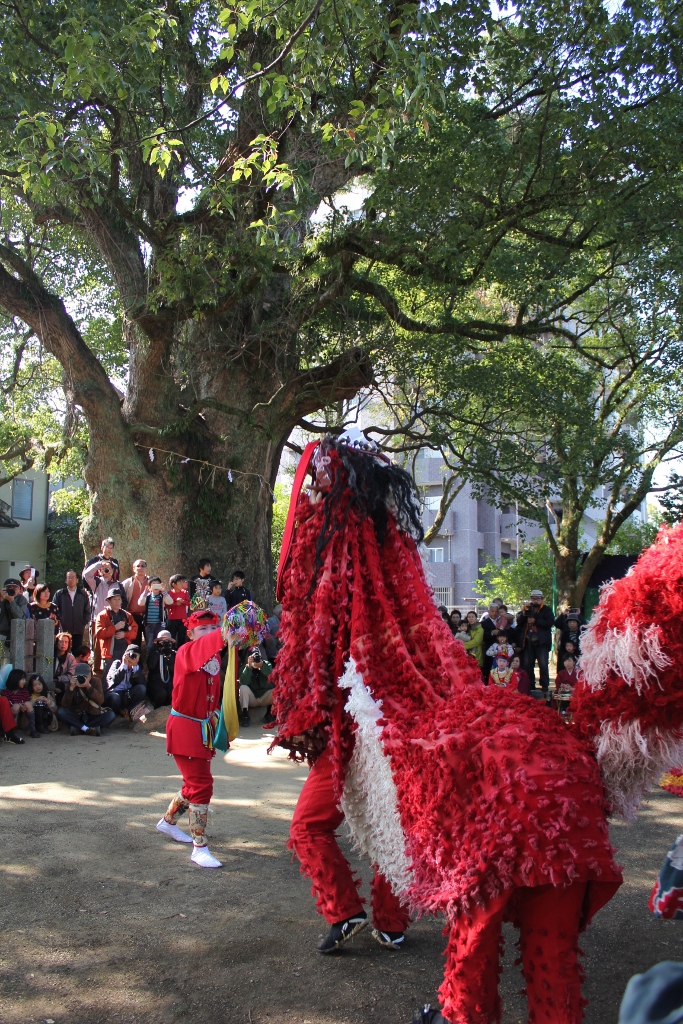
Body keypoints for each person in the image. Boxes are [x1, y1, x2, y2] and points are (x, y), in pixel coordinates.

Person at [271, 433, 622, 1018]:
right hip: (499, 772)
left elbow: (319, 635)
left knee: (335, 821)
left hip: (381, 734)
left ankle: (360, 915)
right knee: (404, 819)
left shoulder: (347, 569)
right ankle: (386, 920)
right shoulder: (395, 571)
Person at [156, 609, 229, 868]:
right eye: (202, 629)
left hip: (203, 728)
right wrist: (225, 631)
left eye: (213, 628)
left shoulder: (214, 658)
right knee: (201, 784)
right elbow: (208, 646)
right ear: (190, 633)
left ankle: (167, 823)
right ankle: (199, 847)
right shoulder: (187, 652)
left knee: (192, 784)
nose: (208, 634)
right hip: (186, 728)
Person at [58, 661, 116, 736]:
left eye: (85, 675)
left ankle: (80, 728)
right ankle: (88, 729)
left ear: (90, 675)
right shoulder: (72, 683)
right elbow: (65, 705)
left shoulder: (96, 681)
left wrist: (89, 686)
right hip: (77, 713)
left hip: (92, 714)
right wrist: (71, 689)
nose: (83, 678)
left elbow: (100, 700)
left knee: (110, 715)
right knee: (61, 712)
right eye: (80, 675)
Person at [94, 588, 137, 683]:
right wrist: (114, 628)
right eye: (114, 599)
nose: (117, 602)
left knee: (126, 678)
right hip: (110, 654)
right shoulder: (102, 616)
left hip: (125, 653)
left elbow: (134, 632)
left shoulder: (127, 615)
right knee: (108, 679)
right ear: (108, 601)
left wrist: (125, 634)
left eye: (119, 599)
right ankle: (107, 697)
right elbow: (99, 634)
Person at [518, 589, 555, 692]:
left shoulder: (546, 610)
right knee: (528, 664)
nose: (535, 601)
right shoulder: (526, 609)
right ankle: (530, 685)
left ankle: (544, 686)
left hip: (541, 642)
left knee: (543, 665)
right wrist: (524, 613)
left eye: (537, 599)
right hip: (528, 641)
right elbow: (519, 622)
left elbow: (550, 622)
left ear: (542, 599)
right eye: (533, 599)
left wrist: (536, 620)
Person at [53, 570, 91, 655]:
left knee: (77, 652)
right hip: (64, 630)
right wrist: (59, 622)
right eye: (69, 577)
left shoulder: (83, 594)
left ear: (77, 580)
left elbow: (87, 610)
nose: (71, 579)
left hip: (78, 629)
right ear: (66, 580)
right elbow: (54, 610)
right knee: (63, 651)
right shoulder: (60, 594)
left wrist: (83, 623)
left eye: (73, 577)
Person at [104, 645, 147, 715]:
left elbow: (141, 682)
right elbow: (114, 680)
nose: (132, 658)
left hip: (127, 693)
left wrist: (135, 666)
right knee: (115, 698)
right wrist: (124, 665)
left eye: (136, 656)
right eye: (131, 655)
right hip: (116, 692)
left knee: (142, 688)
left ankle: (129, 710)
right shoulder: (117, 663)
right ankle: (118, 713)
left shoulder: (136, 667)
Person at [239, 647, 275, 726]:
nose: (255, 658)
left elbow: (271, 676)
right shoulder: (245, 667)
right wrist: (249, 667)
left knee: (276, 690)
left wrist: (261, 666)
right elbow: (243, 681)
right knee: (243, 688)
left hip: (265, 697)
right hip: (253, 698)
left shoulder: (266, 664)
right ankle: (245, 716)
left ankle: (270, 714)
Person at [3, 667, 40, 737]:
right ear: (16, 680)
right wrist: (19, 706)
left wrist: (23, 706)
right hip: (13, 718)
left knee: (28, 704)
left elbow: (26, 701)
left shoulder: (24, 691)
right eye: (22, 679)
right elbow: (8, 706)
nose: (25, 681)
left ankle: (33, 730)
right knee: (16, 706)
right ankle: (10, 730)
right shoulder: (7, 693)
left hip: (23, 717)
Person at [146, 629, 176, 707]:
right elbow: (151, 666)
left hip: (169, 681)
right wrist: (158, 653)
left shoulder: (173, 654)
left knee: (172, 693)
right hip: (156, 681)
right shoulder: (153, 652)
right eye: (162, 641)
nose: (164, 644)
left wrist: (169, 657)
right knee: (161, 694)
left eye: (167, 641)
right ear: (158, 642)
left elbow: (175, 670)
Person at [121, 559, 149, 638]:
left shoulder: (151, 582)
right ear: (133, 569)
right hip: (132, 616)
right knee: (135, 640)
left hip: (148, 617)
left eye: (143, 566)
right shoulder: (127, 583)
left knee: (150, 641)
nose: (140, 568)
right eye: (138, 566)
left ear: (146, 568)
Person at [0, 579, 29, 655]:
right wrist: (1, 599)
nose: (11, 590)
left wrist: (12, 602)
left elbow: (20, 616)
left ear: (19, 590)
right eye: (9, 587)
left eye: (14, 588)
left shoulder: (21, 599)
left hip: (16, 634)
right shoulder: (1, 598)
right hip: (2, 634)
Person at [164, 574, 190, 647]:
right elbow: (166, 606)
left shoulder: (185, 592)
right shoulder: (169, 593)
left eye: (183, 582)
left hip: (183, 619)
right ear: (174, 584)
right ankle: (172, 653)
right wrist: (175, 603)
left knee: (182, 637)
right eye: (180, 582)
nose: (182, 584)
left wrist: (183, 602)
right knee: (172, 636)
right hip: (172, 619)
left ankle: (180, 652)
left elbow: (189, 604)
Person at [53, 632, 77, 701]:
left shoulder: (71, 658)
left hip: (63, 683)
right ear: (57, 642)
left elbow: (71, 675)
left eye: (66, 642)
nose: (63, 644)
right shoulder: (51, 655)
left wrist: (58, 679)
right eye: (61, 641)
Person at [143, 577, 166, 647]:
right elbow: (140, 603)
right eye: (153, 584)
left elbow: (170, 602)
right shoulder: (147, 596)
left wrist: (164, 592)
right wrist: (144, 593)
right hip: (149, 624)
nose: (156, 586)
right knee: (150, 644)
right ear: (150, 587)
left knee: (161, 642)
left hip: (160, 623)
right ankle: (150, 657)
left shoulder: (162, 596)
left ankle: (160, 657)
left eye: (157, 584)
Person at [461, 609, 484, 675]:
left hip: (476, 655)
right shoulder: (466, 628)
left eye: (472, 617)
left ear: (476, 618)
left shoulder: (480, 629)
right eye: (469, 617)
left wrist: (462, 646)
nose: (471, 619)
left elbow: (476, 642)